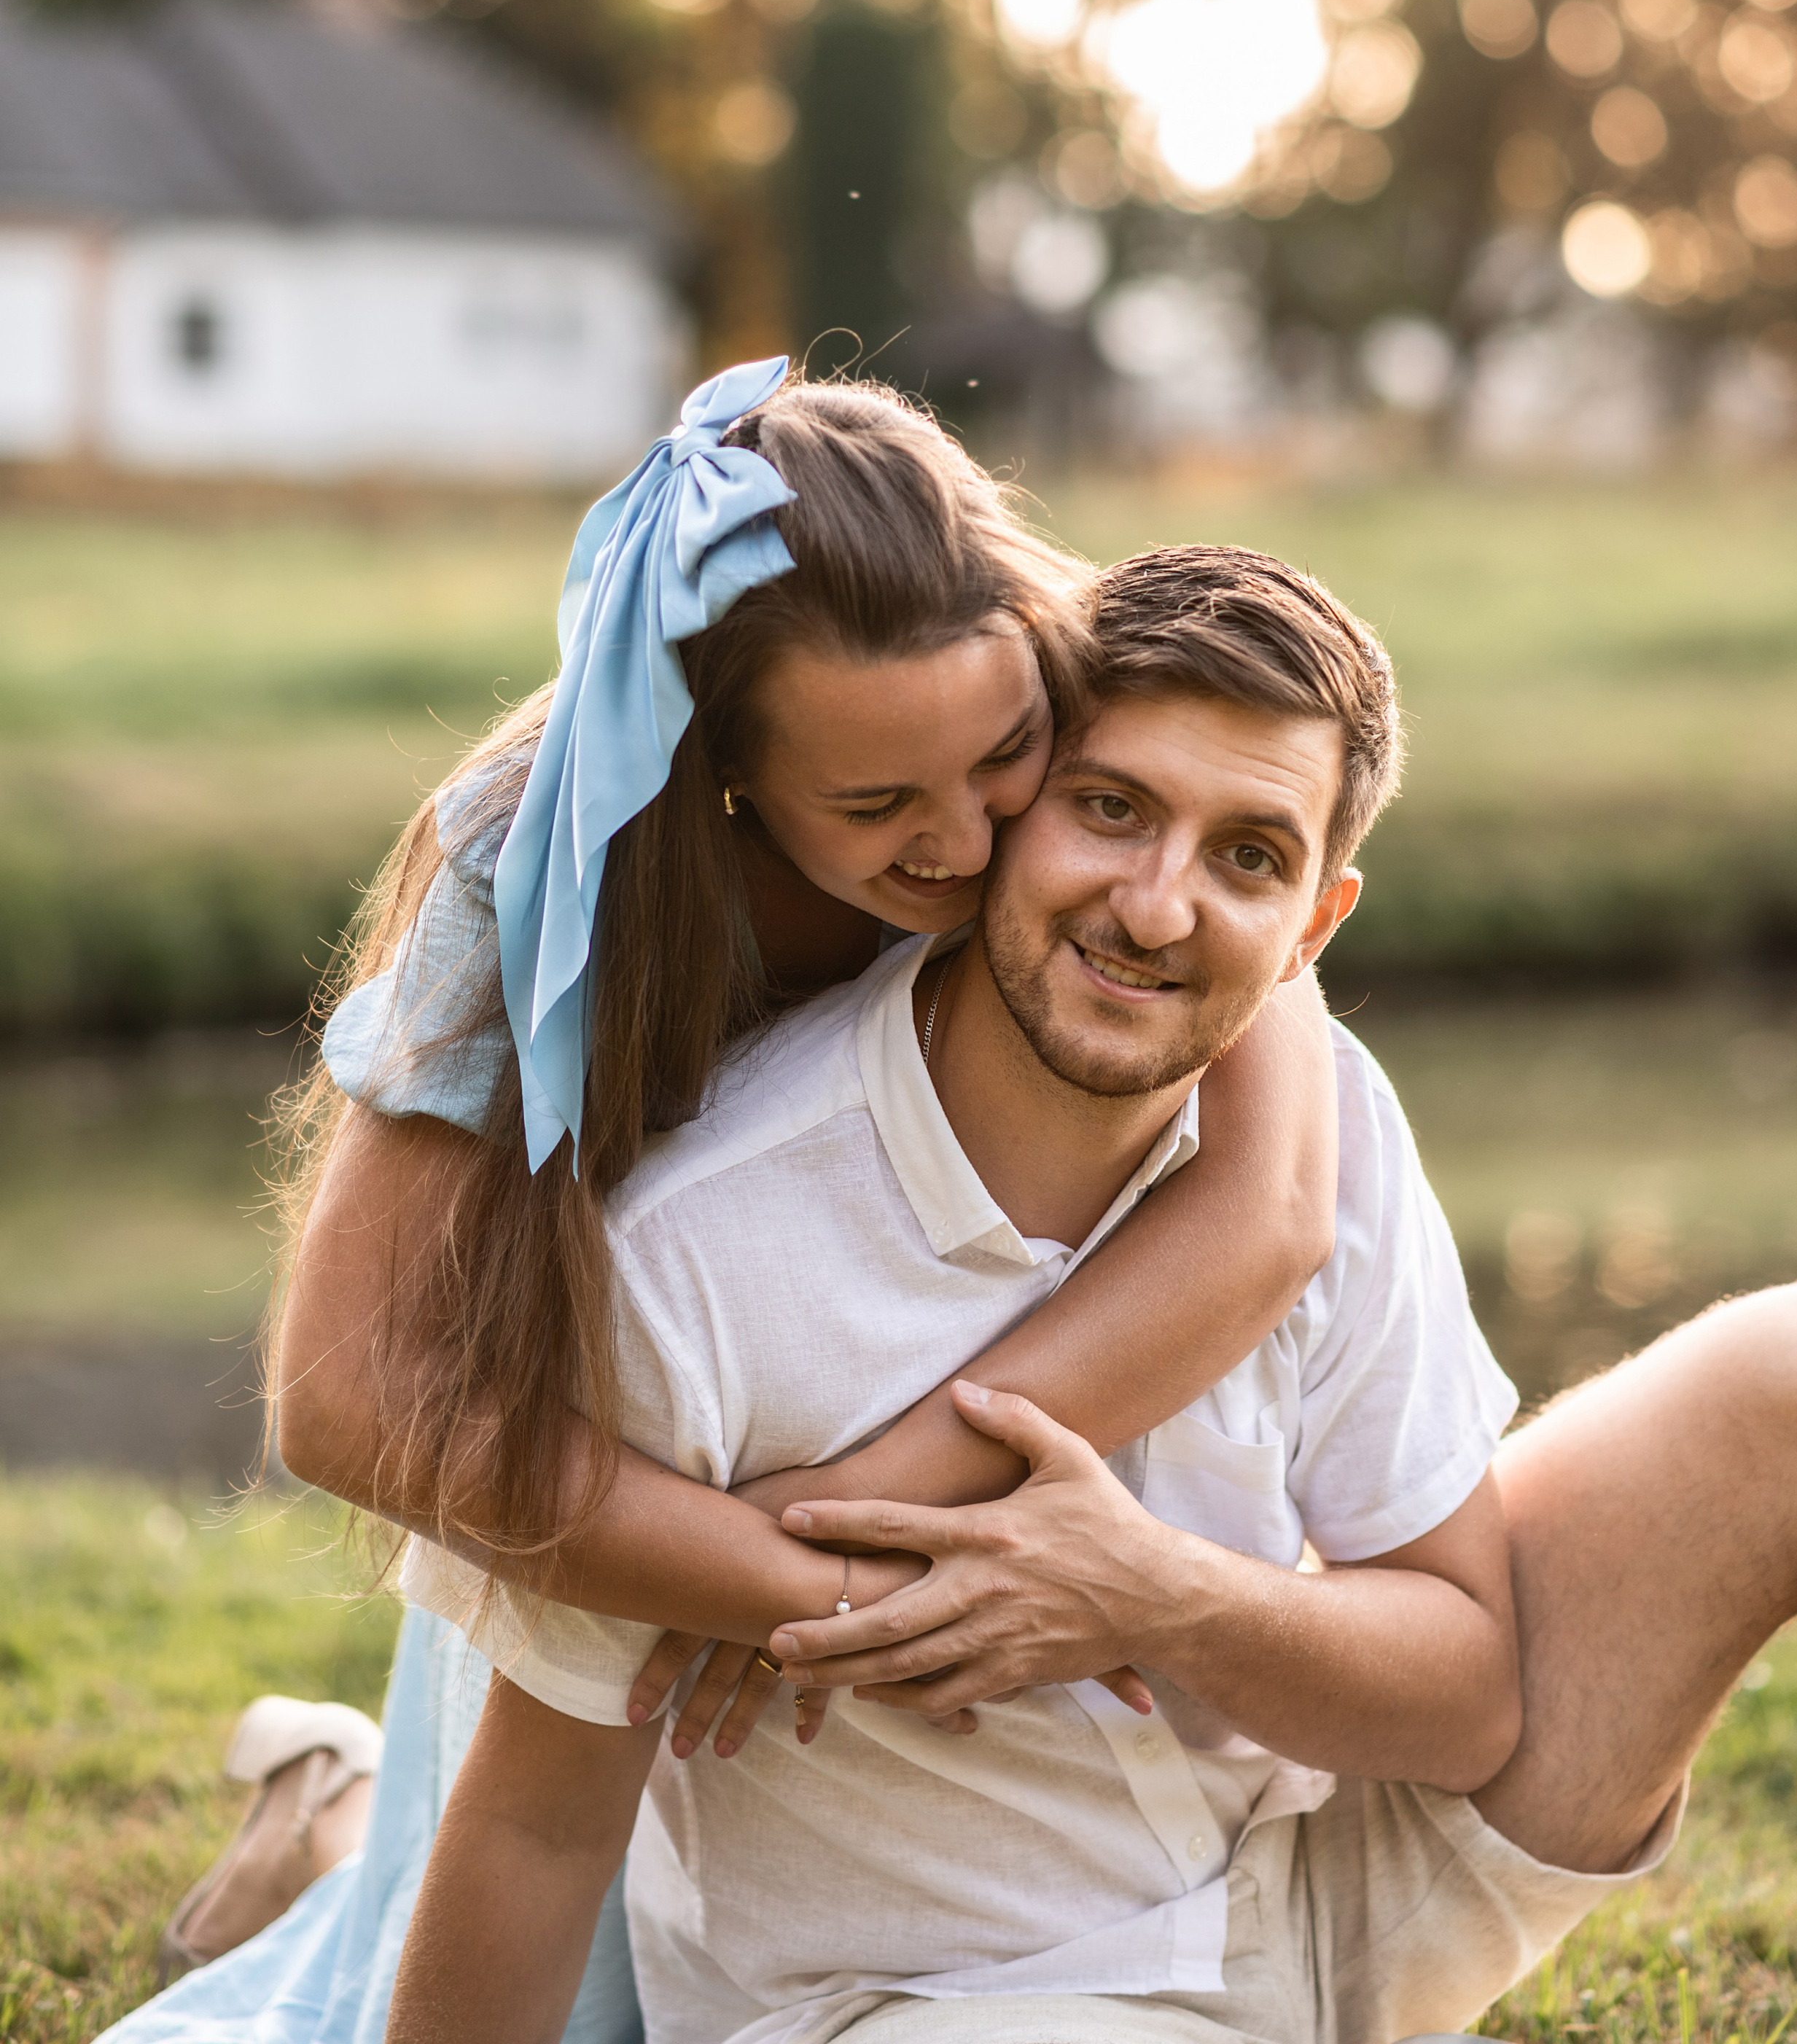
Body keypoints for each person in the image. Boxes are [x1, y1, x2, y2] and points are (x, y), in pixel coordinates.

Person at [386, 541, 1797, 2044]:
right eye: (1111, 810)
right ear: (999, 813)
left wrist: (1153, 1600)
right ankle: (322, 1824)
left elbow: (1467, 1691)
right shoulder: (700, 1252)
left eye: (1246, 855)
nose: (1156, 909)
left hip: (1323, 1879)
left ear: (1313, 927)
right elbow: (535, 1831)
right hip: (943, 1998)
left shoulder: (1320, 1126)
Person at [104, 366, 1338, 2044]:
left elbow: (1261, 1219)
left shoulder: (1099, 721)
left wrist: (865, 1531)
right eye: (877, 809)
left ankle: (331, 1803)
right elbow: (343, 1400)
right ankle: (327, 1815)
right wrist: (788, 1592)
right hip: (622, 1476)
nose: (973, 845)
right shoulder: (542, 859)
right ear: (727, 776)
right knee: (513, 1941)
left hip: (856, 1453)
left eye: (1000, 764)